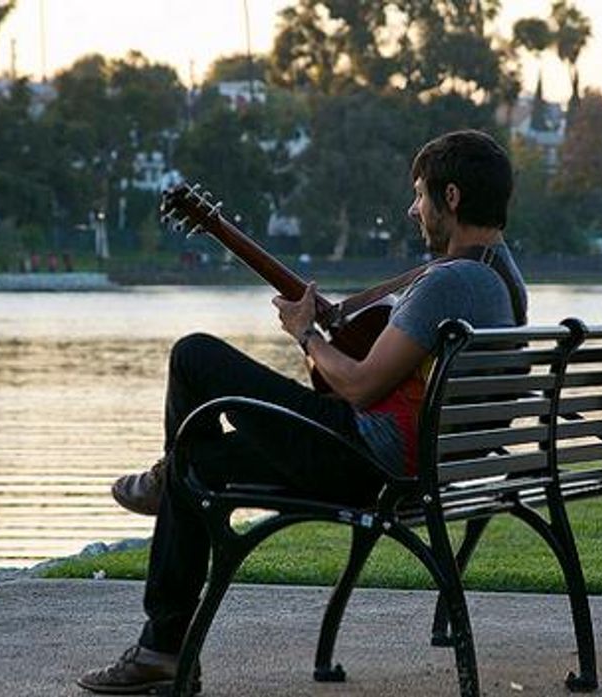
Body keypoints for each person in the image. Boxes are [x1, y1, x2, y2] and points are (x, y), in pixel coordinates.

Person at [79, 129, 529, 694]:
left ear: (453, 198)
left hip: (366, 462)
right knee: (199, 464)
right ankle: (163, 617)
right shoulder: (501, 276)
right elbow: (388, 376)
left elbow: (361, 387)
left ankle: (164, 634)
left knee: (194, 354)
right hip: (424, 465)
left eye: (419, 195)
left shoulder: (448, 282)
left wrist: (304, 335)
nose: (413, 209)